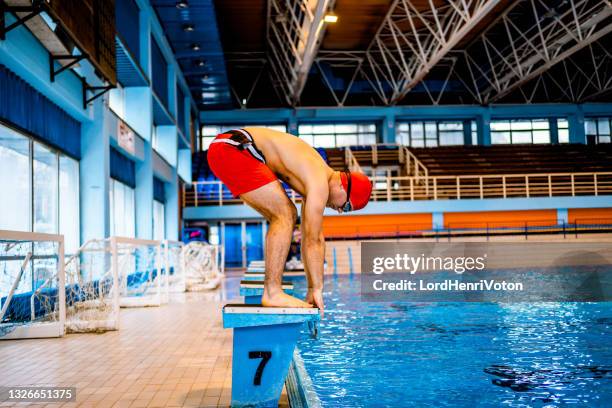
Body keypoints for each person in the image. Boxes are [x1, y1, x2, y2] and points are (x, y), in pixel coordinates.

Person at [207, 128, 373, 313]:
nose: (341, 211)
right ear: (343, 186)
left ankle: (272, 291)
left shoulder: (313, 178)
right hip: (235, 149)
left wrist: (312, 288)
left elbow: (308, 236)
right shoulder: (319, 182)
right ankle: (272, 292)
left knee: (286, 214)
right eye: (347, 206)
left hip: (230, 146)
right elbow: (314, 240)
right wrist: (317, 289)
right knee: (284, 214)